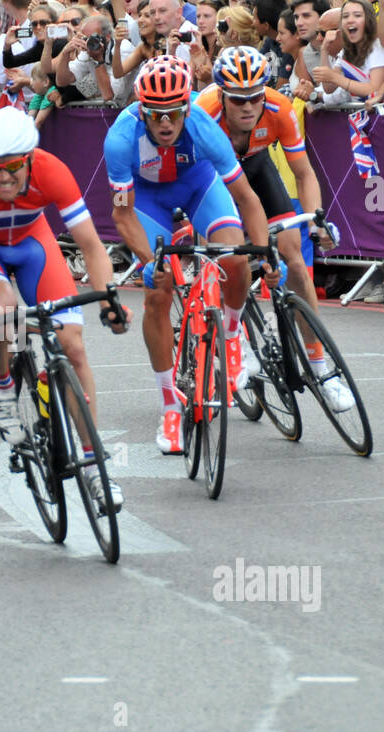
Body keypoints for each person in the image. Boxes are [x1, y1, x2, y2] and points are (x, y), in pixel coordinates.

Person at [0, 105, 129, 508]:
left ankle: (96, 468)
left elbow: (92, 247)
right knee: (5, 309)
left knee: (73, 346)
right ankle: (5, 386)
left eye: (13, 166)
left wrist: (108, 294)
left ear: (29, 159)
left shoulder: (52, 170)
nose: (4, 176)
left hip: (32, 243)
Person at [103, 57, 272, 455]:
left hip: (197, 187)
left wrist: (263, 252)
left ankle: (231, 333)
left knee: (233, 255)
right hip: (147, 202)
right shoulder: (121, 139)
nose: (166, 123)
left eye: (175, 113)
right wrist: (149, 262)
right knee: (158, 291)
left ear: (187, 109)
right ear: (142, 110)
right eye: (157, 114)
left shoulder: (203, 127)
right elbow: (122, 214)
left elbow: (246, 198)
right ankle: (169, 405)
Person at [194, 47, 354, 411]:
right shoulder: (204, 114)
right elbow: (194, 183)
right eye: (239, 100)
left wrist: (317, 218)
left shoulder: (279, 108)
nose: (249, 107)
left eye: (255, 97)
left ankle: (320, 369)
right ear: (222, 94)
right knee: (221, 258)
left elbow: (303, 173)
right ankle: (232, 346)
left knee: (294, 259)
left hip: (257, 169)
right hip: (213, 182)